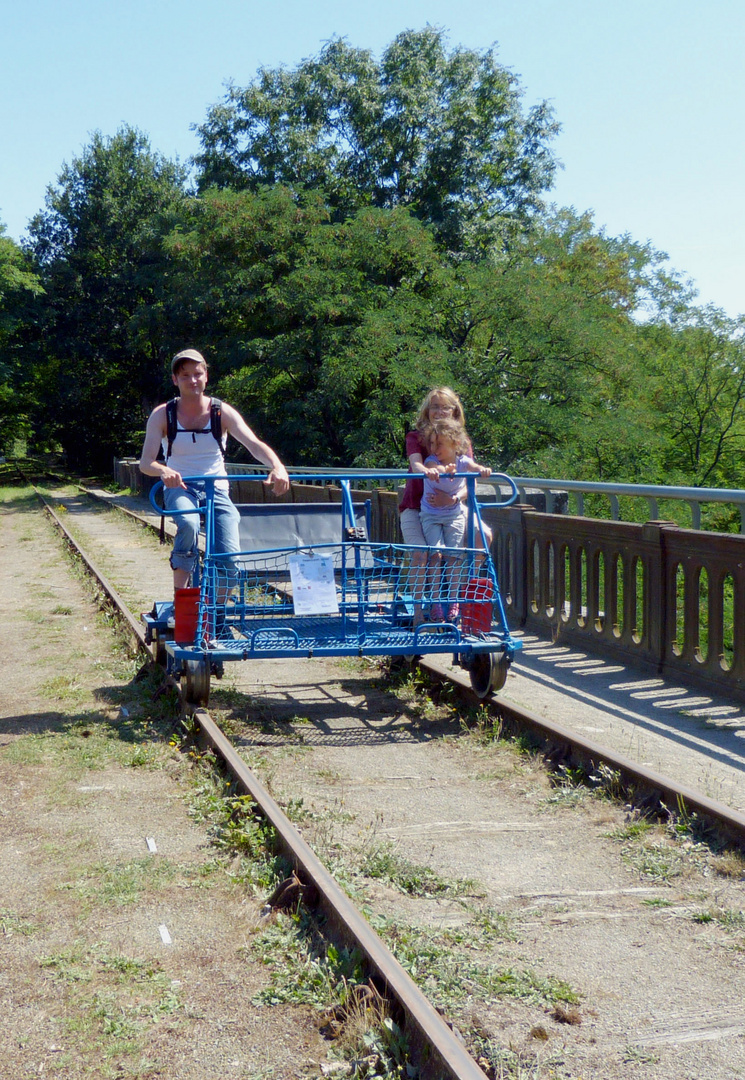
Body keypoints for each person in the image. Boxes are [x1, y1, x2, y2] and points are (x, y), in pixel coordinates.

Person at [139, 348, 289, 594]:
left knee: (229, 556)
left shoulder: (221, 412)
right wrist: (164, 471)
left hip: (216, 488)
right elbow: (146, 463)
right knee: (187, 523)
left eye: (197, 374)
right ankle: (182, 599)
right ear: (175, 380)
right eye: (185, 375)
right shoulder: (162, 415)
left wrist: (278, 466)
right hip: (180, 487)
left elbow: (254, 444)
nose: (193, 380)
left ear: (206, 376)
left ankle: (217, 615)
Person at [399, 387, 490, 625]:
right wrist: (430, 471)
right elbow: (417, 464)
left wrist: (454, 498)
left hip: (451, 506)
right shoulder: (415, 438)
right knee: (422, 553)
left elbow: (471, 480)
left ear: (454, 410)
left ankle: (458, 598)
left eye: (445, 406)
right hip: (419, 507)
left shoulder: (461, 441)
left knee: (484, 536)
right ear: (427, 411)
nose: (439, 411)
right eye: (434, 406)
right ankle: (420, 614)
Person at [419, 419, 492, 622]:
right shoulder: (431, 461)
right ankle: (435, 603)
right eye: (432, 444)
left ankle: (453, 601)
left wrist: (483, 470)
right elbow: (434, 468)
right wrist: (442, 471)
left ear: (454, 444)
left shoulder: (462, 462)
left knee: (454, 556)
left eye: (439, 443)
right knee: (436, 555)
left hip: (453, 515)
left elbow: (474, 467)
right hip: (431, 516)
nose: (434, 448)